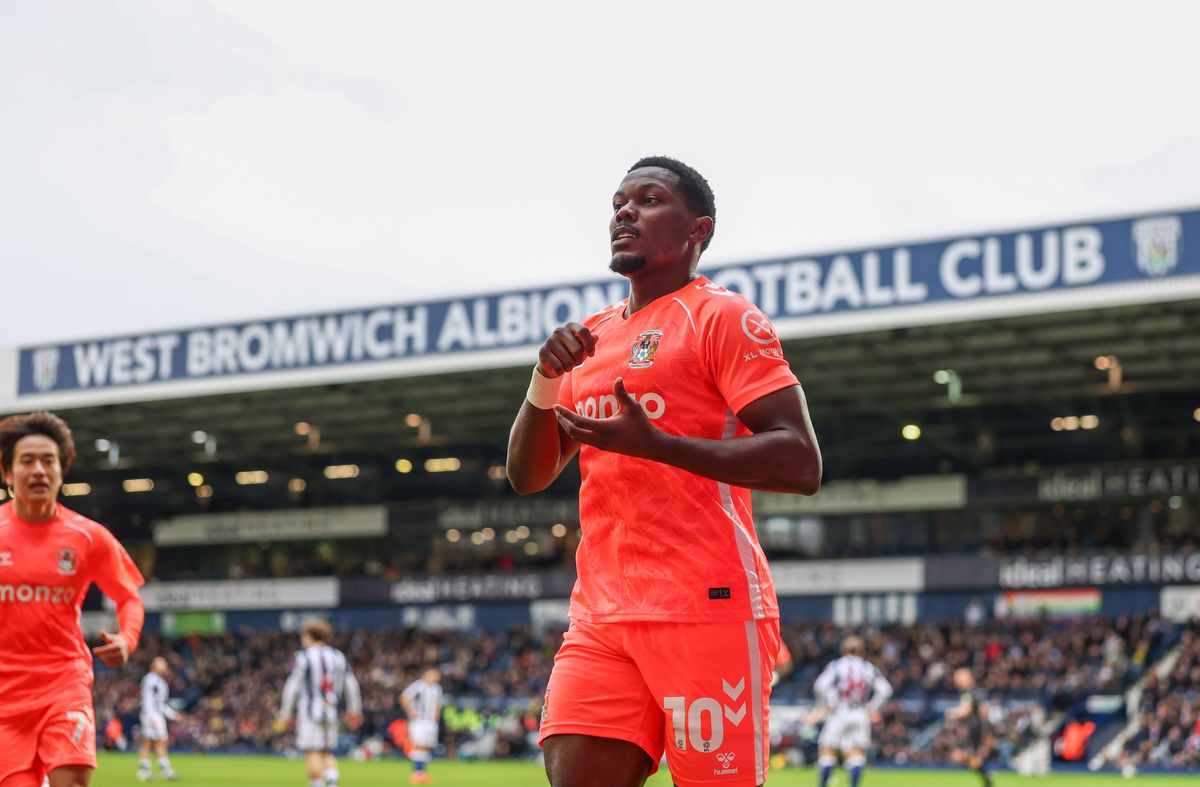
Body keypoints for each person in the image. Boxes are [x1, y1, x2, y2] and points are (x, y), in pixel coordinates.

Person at [507, 156, 822, 787]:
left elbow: (800, 460)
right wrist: (544, 379)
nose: (625, 212)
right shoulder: (591, 338)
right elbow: (528, 476)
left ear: (698, 229)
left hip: (707, 609)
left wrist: (659, 445)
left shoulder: (723, 317)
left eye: (649, 200)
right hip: (601, 615)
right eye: (619, 203)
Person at [0, 411, 145, 787]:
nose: (39, 470)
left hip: (64, 684)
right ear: (7, 472)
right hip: (5, 698)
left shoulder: (88, 537)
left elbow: (129, 598)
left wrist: (127, 639)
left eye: (48, 461)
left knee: (73, 780)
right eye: (27, 461)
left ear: (62, 471)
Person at [278, 618, 363, 787]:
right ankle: (332, 783)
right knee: (326, 751)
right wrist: (355, 710)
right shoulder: (338, 656)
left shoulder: (303, 656)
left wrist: (285, 713)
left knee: (312, 752)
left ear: (309, 636)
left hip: (310, 712)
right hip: (331, 711)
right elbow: (352, 685)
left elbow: (292, 686)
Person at [808, 637, 893, 787]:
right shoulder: (867, 667)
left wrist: (828, 704)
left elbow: (820, 686)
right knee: (856, 754)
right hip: (860, 712)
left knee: (827, 751)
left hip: (839, 711)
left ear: (843, 650)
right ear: (862, 651)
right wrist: (872, 708)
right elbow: (886, 690)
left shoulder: (837, 665)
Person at [945, 668, 995, 787]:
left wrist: (953, 713)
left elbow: (966, 710)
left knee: (966, 757)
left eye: (958, 677)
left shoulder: (969, 693)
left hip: (972, 730)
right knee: (959, 756)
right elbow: (983, 711)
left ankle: (986, 775)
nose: (956, 681)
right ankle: (985, 774)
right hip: (972, 729)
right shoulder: (973, 692)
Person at [137, 657, 179, 781]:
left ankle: (153, 770)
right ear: (154, 665)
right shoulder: (150, 679)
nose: (164, 666)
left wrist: (172, 714)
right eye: (162, 664)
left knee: (157, 742)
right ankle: (154, 770)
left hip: (157, 715)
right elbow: (147, 699)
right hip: (151, 715)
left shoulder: (160, 681)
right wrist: (150, 716)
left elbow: (162, 704)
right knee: (150, 742)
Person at [400, 667, 444, 785]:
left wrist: (437, 714)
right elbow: (404, 698)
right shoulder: (417, 686)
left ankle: (421, 773)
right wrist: (410, 712)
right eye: (433, 674)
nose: (436, 677)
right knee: (419, 745)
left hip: (431, 722)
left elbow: (438, 703)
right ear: (426, 674)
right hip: (419, 721)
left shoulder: (437, 689)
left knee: (426, 746)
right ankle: (417, 773)